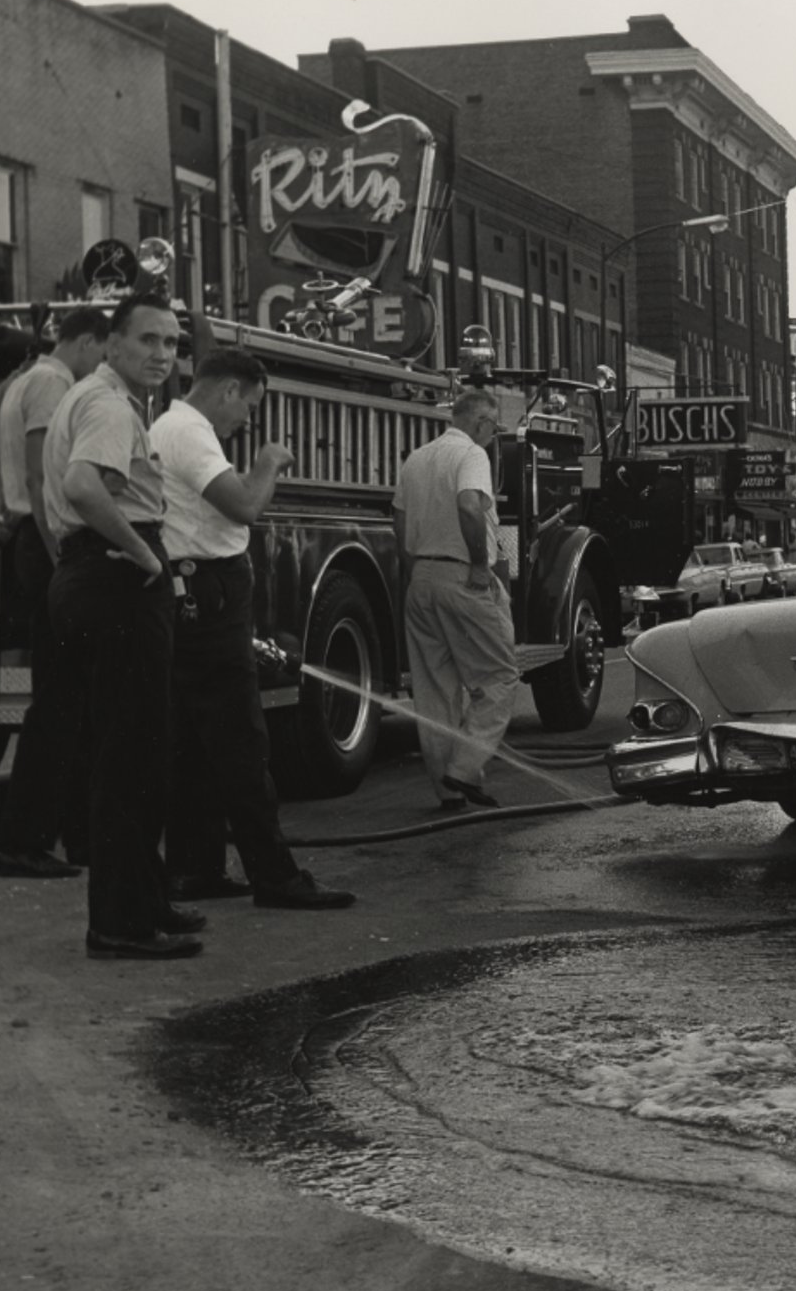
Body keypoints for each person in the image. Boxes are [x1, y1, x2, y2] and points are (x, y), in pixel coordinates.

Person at [152, 349, 355, 911]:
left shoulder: (173, 428)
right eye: (250, 406)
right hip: (208, 596)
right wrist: (267, 462)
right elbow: (243, 506)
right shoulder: (189, 432)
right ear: (228, 389)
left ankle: (194, 869)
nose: (247, 420)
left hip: (192, 594)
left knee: (192, 743)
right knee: (242, 740)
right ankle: (276, 877)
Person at [41, 293, 203, 960]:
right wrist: (143, 557)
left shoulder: (98, 397)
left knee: (133, 748)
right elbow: (83, 486)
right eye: (148, 340)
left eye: (170, 342)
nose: (162, 354)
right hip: (119, 579)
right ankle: (119, 923)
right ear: (111, 343)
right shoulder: (108, 405)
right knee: (130, 756)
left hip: (95, 575)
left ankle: (144, 901)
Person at [0, 306, 110, 878]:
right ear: (86, 342)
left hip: (34, 544)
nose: (99, 368)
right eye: (101, 353)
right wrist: (60, 546)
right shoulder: (51, 383)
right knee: (61, 702)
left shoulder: (27, 379)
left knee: (72, 698)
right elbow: (41, 476)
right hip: (45, 543)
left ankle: (72, 835)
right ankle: (23, 840)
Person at [392, 387, 519, 809]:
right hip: (462, 578)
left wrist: (415, 568)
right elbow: (469, 506)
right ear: (480, 423)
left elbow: (399, 518)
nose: (493, 435)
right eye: (493, 427)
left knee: (434, 691)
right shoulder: (472, 456)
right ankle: (464, 769)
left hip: (422, 579)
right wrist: (481, 565)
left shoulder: (417, 458)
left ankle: (447, 791)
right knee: (498, 678)